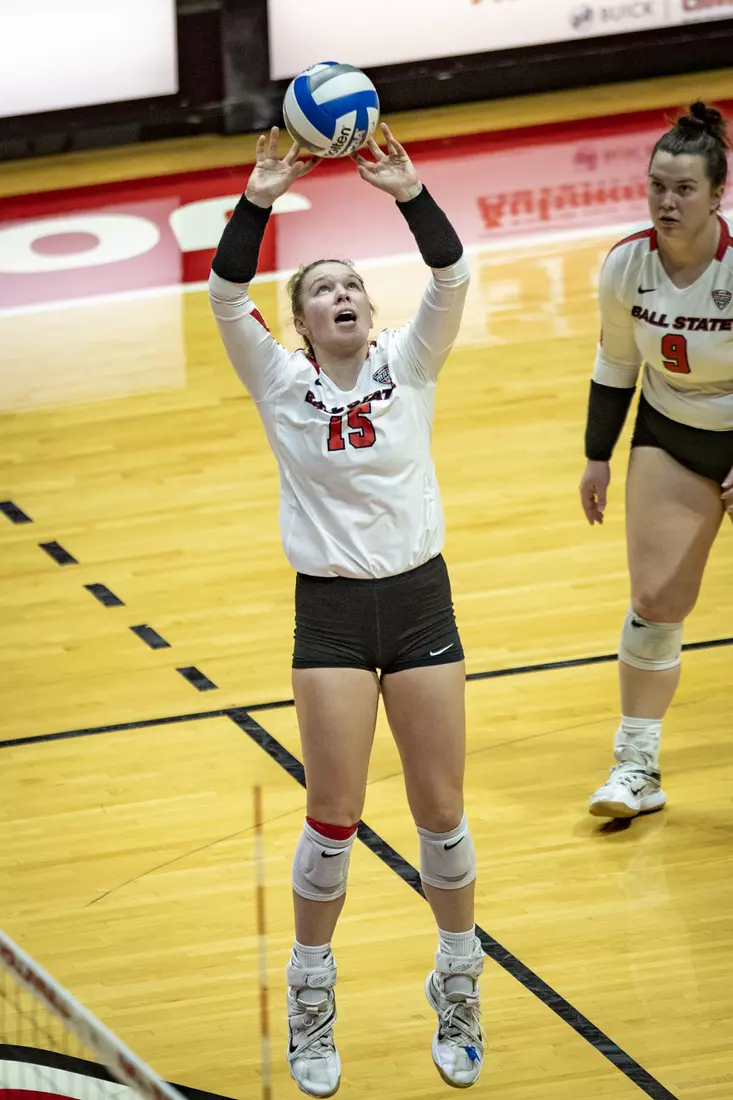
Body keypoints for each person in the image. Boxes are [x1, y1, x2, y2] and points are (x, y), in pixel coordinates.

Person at [209, 124, 484, 1095]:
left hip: (418, 600)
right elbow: (225, 293)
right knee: (333, 813)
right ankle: (310, 992)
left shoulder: (407, 366)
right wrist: (259, 195)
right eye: (323, 287)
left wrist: (409, 194)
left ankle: (458, 980)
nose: (342, 295)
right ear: (301, 318)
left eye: (353, 285)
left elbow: (451, 277)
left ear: (371, 310)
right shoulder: (278, 380)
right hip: (329, 612)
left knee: (440, 813)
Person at [579, 101, 733, 820]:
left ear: (716, 194)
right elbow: (614, 364)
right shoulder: (625, 266)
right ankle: (635, 767)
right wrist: (596, 456)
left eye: (683, 190)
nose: (666, 203)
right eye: (656, 188)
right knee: (654, 603)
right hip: (672, 428)